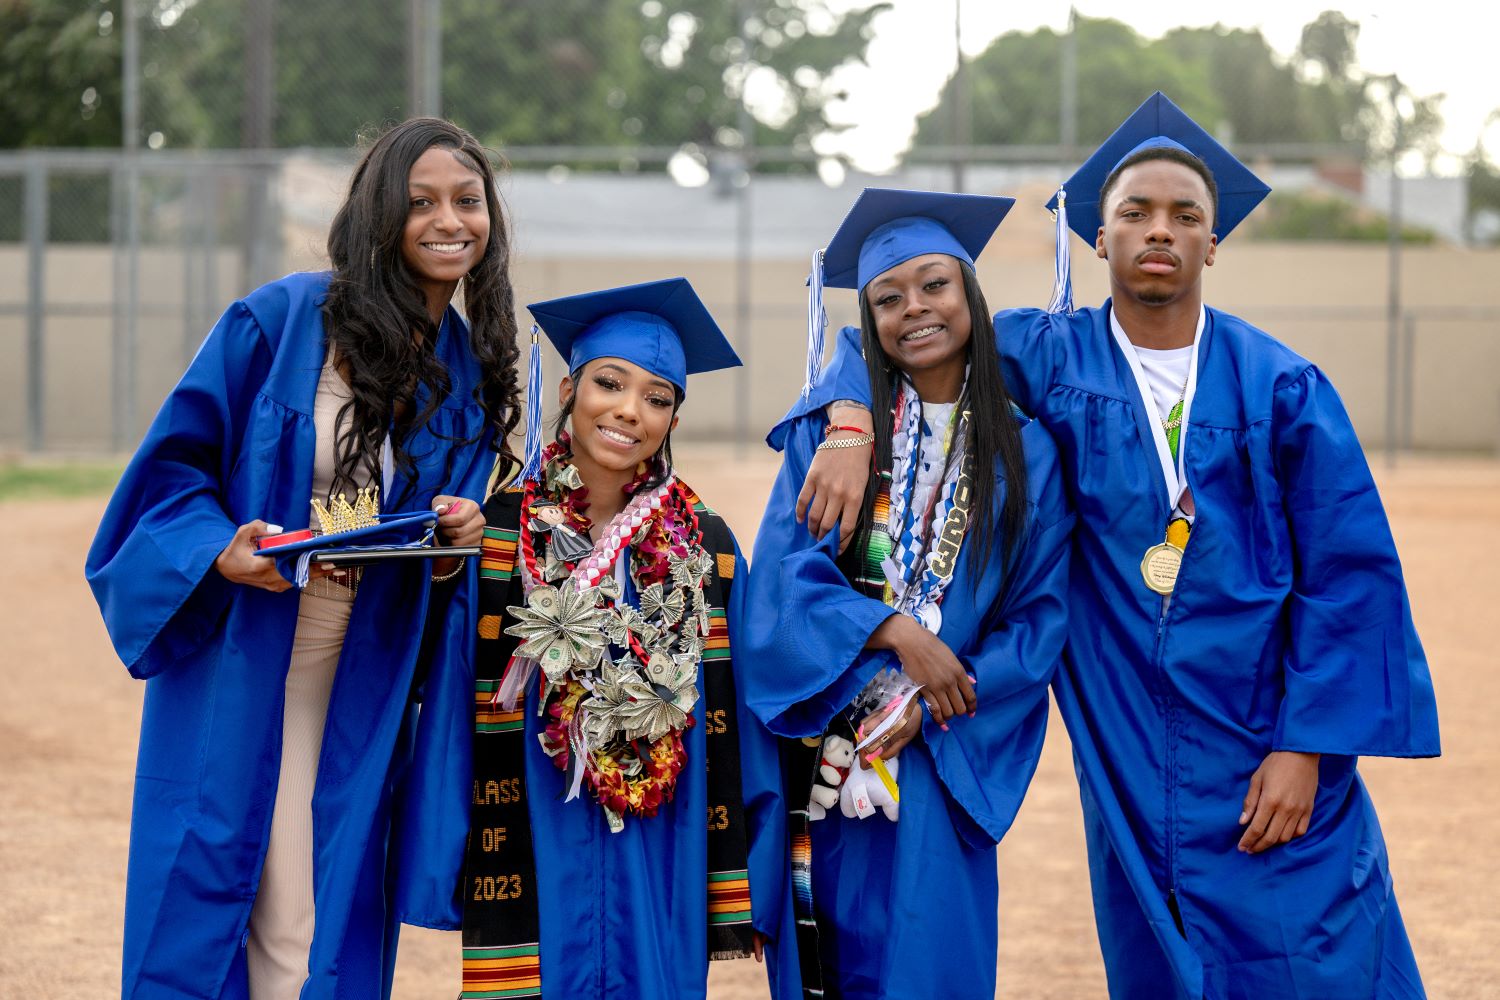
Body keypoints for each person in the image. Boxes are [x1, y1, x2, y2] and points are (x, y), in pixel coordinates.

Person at [783, 93, 1439, 999]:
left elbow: (1350, 576)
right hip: (1130, 734)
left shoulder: (1283, 385)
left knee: (1319, 944)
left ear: (1215, 242)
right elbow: (906, 336)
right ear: (1099, 237)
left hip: (1263, 733)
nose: (1158, 230)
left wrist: (1310, 746)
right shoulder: (1049, 356)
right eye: (1134, 212)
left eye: (1185, 216)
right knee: (1159, 953)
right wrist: (850, 422)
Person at [85, 117, 523, 1000]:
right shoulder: (282, 323)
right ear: (378, 218)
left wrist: (454, 548)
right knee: (226, 871)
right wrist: (219, 549)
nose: (450, 221)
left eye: (467, 202)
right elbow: (173, 468)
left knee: (318, 889)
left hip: (363, 665)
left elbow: (448, 560)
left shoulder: (468, 373)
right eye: (421, 202)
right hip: (247, 648)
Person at [742, 189, 1074, 999]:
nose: (914, 309)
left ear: (971, 295)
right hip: (832, 739)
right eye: (888, 297)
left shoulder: (1027, 451)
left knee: (932, 964)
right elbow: (785, 580)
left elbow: (1038, 618)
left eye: (935, 286)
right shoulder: (835, 439)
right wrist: (889, 636)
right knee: (834, 963)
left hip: (941, 751)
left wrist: (935, 700)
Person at [452, 278, 794, 999]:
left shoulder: (706, 545)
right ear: (571, 388)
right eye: (610, 383)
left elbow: (742, 720)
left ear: (672, 417)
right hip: (532, 829)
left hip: (661, 839)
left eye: (658, 397)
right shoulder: (497, 537)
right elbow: (449, 702)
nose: (630, 411)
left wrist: (754, 860)